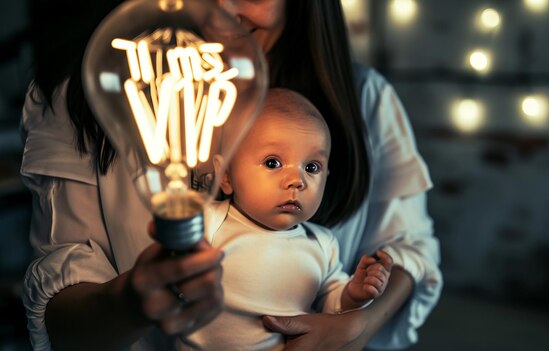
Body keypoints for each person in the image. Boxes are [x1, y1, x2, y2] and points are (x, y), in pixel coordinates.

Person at [21, 0, 442, 350]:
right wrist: (129, 303)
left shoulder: (366, 100)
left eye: (312, 167)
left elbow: (409, 245)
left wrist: (357, 323)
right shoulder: (84, 98)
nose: (217, 12)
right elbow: (62, 312)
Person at [178, 88, 393, 350]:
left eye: (312, 167)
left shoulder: (322, 244)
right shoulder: (209, 220)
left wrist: (353, 295)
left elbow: (331, 304)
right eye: (272, 163)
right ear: (226, 175)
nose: (297, 180)